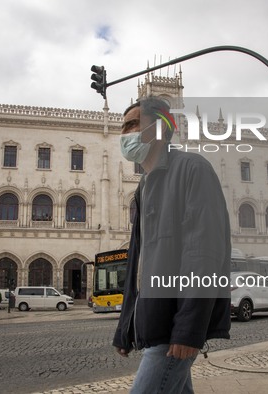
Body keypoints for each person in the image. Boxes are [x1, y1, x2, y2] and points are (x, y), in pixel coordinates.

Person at [113, 97, 231, 393]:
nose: (124, 134)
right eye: (123, 126)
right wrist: (125, 327)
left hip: (173, 326)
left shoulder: (193, 169)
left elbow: (203, 254)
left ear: (159, 129)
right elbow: (139, 261)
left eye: (132, 124)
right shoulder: (144, 186)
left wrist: (189, 329)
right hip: (158, 318)